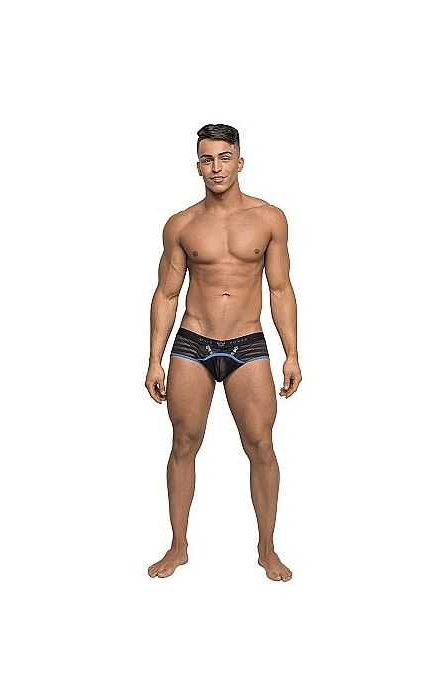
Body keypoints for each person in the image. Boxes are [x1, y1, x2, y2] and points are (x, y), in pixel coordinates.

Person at [145, 124, 301, 582]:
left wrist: (292, 353)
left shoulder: (269, 219)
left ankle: (267, 548)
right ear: (198, 166)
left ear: (240, 162)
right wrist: (154, 358)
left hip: (247, 342)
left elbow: (280, 288)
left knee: (262, 446)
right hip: (193, 342)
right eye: (207, 159)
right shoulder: (181, 224)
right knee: (183, 443)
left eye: (224, 157)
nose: (216, 167)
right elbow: (167, 293)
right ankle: (178, 546)